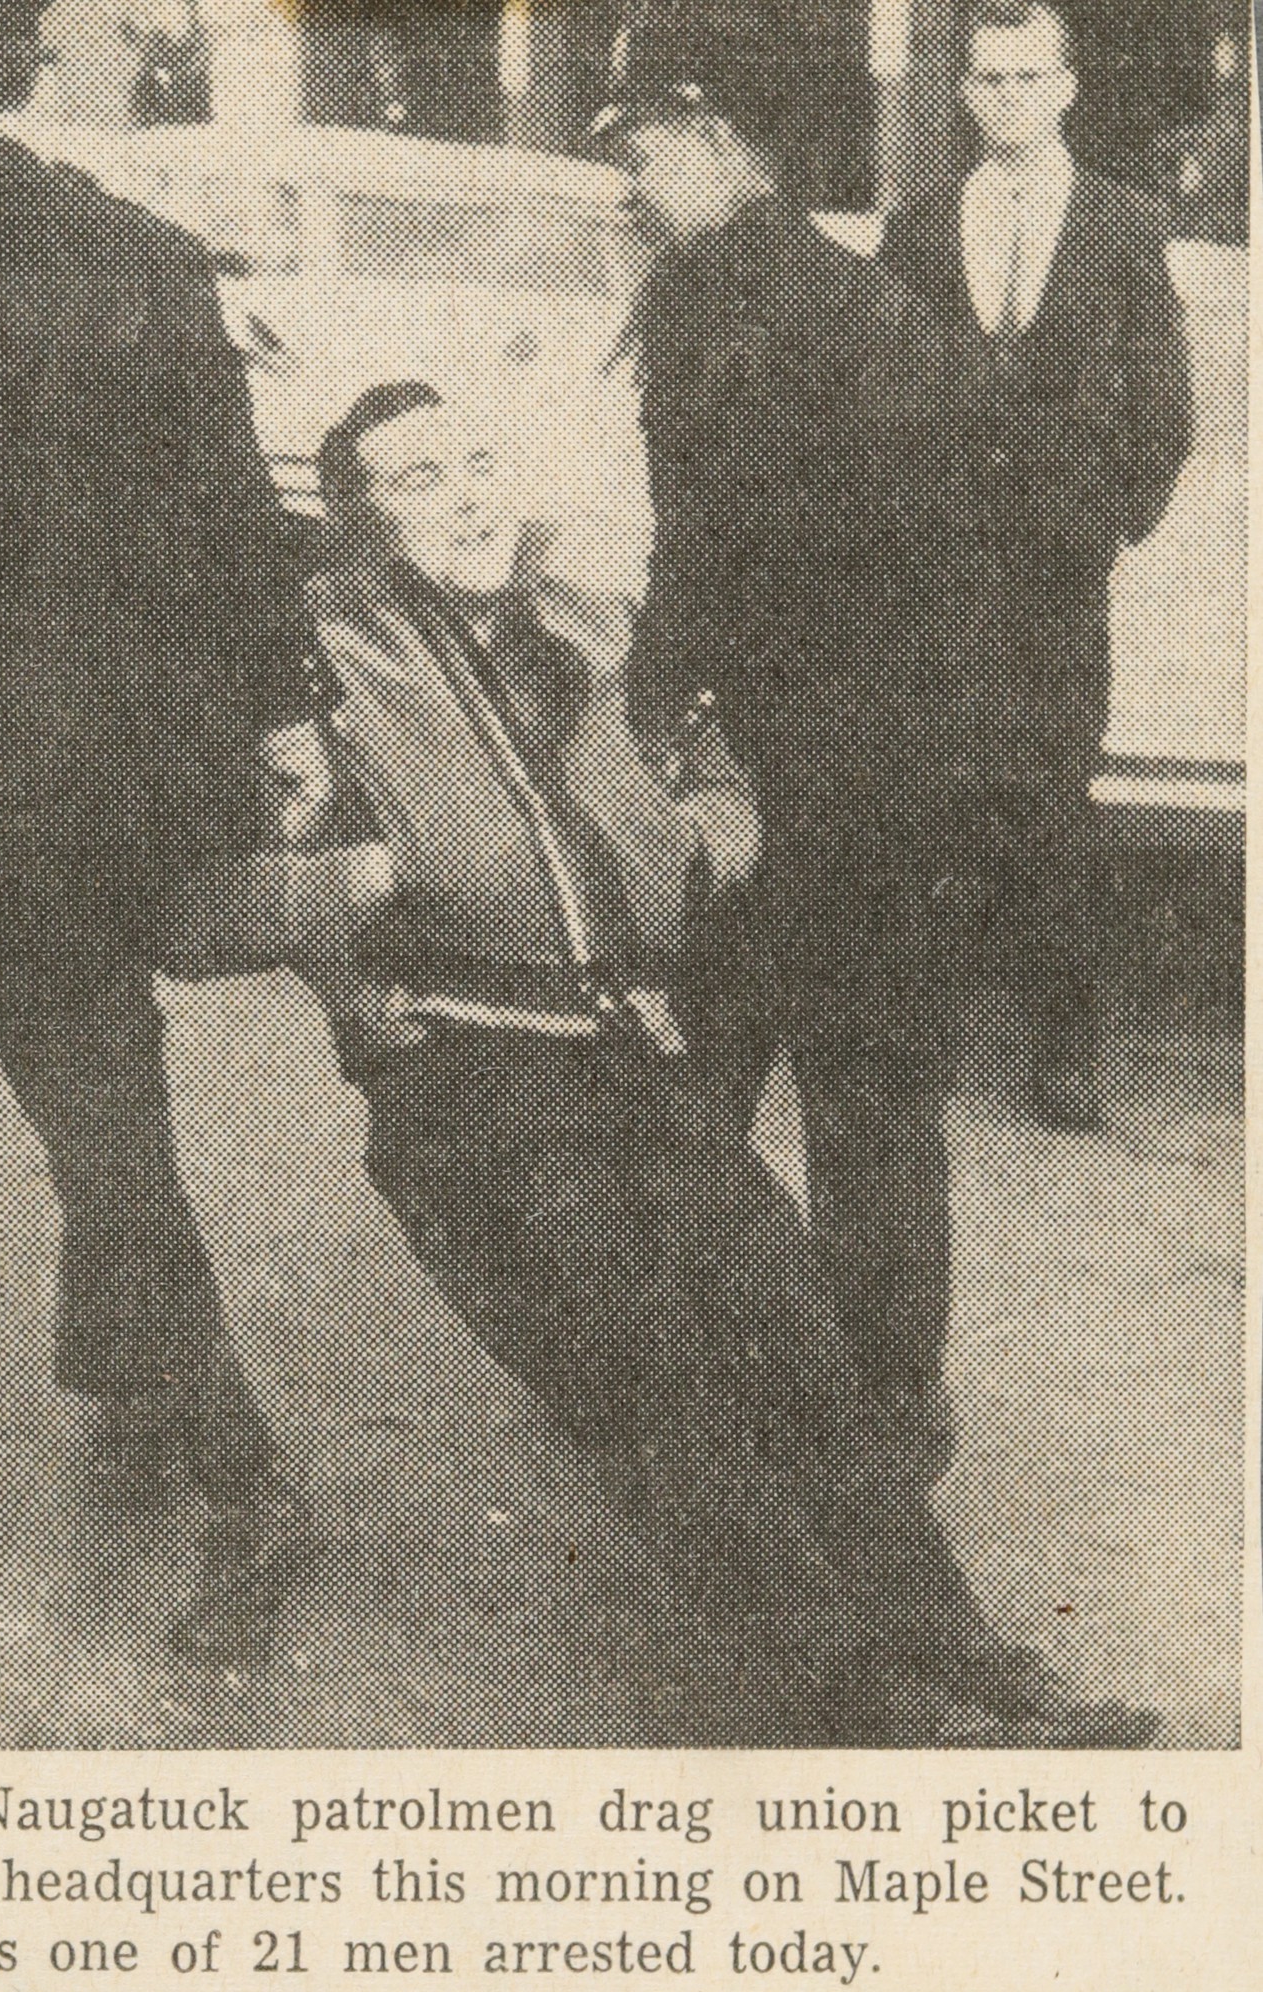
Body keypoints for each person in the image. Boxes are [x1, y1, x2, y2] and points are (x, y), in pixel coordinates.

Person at [183, 375, 1158, 1748]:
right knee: (662, 1387)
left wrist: (701, 838)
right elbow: (195, 909)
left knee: (802, 1350)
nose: (465, 495)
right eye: (419, 478)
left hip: (633, 1057)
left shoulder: (590, 625)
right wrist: (357, 880)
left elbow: (717, 768)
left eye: (476, 460)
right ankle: (860, 1700)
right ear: (361, 522)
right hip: (472, 1081)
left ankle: (978, 1661)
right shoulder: (317, 669)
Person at [0, 0, 318, 1659]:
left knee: (84, 1083)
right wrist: (286, 711)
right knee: (107, 1071)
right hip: (138, 741)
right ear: (29, 71)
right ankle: (157, 1403)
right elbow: (237, 514)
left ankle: (229, 1459)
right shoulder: (148, 255)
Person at [589, 26, 985, 1453]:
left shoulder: (723, 306)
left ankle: (698, 1383)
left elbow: (708, 553)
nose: (627, 189)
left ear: (712, 134)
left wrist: (648, 725)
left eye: (638, 155)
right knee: (865, 1094)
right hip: (888, 776)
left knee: (700, 1079)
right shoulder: (866, 306)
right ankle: (890, 1395)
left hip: (764, 776)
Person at [879, 0, 1193, 1132]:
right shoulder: (918, 227)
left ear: (1066, 88)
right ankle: (928, 1034)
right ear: (962, 93)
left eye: (1026, 78)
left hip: (1059, 565)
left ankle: (1065, 1046)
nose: (1004, 99)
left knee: (1053, 798)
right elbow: (884, 389)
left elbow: (1164, 405)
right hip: (941, 557)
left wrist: (1112, 518)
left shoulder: (1122, 225)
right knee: (937, 792)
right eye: (985, 81)